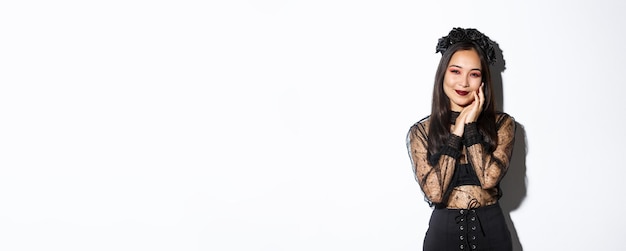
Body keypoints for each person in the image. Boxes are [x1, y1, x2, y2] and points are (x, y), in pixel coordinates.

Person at [406, 27, 516, 251]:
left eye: (474, 74)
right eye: (456, 71)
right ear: (443, 74)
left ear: (483, 81)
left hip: (492, 235)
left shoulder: (503, 124)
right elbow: (435, 193)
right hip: (443, 238)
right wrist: (456, 132)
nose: (464, 83)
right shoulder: (421, 131)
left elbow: (487, 179)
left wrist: (471, 126)